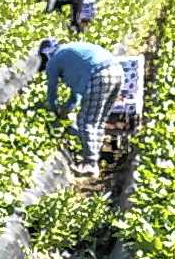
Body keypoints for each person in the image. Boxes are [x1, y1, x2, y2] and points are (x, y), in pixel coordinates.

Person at [38, 37, 125, 177]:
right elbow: (75, 96)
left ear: (46, 55)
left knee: (86, 121)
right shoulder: (70, 55)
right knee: (98, 121)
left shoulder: (54, 61)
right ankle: (94, 157)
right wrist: (66, 110)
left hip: (100, 75)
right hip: (117, 71)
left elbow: (51, 95)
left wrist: (54, 111)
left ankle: (90, 164)